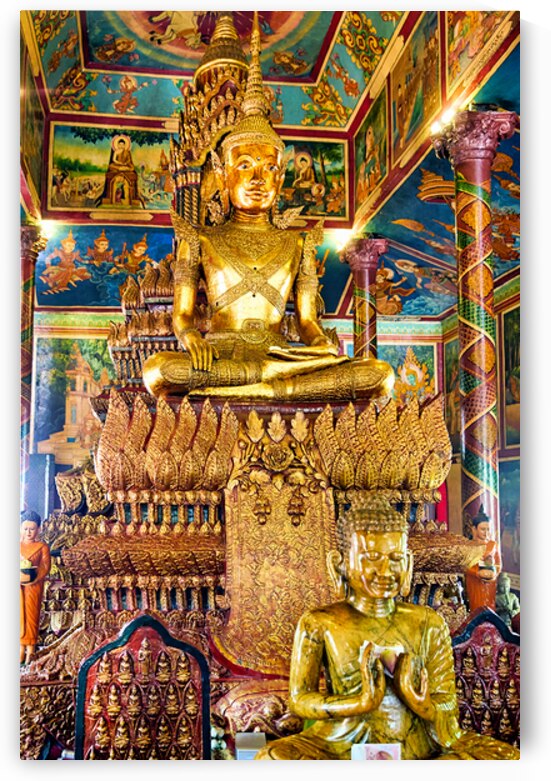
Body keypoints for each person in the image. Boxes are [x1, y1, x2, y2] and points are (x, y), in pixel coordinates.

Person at [143, 17, 393, 403]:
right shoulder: (200, 239)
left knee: (378, 375)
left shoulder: (298, 244)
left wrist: (322, 348)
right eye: (244, 166)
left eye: (268, 168)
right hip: (220, 357)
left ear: (281, 177)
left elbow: (307, 323)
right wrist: (191, 337)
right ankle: (271, 386)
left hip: (282, 357)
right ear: (222, 174)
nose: (257, 178)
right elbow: (182, 316)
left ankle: (266, 384)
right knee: (159, 370)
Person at [255, 496, 519, 760]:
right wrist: (359, 703)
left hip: (417, 748)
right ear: (339, 564)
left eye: (395, 558)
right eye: (371, 558)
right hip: (340, 748)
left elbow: (447, 702)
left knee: (507, 759)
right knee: (272, 758)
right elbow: (300, 700)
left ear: (407, 563)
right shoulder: (319, 622)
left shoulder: (428, 622)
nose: (384, 571)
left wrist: (419, 701)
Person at [20, 510, 51, 666]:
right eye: (25, 529)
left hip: (34, 586)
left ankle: (30, 650)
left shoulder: (42, 547)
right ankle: (20, 649)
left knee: (31, 616)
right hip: (18, 586)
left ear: (38, 529)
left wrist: (33, 576)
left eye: (32, 529)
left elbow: (45, 567)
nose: (28, 532)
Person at [465, 506, 501, 612]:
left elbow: (498, 564)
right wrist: (477, 573)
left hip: (490, 583)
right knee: (477, 607)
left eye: (488, 529)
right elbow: (465, 565)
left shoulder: (493, 545)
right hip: (475, 581)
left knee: (490, 606)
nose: (486, 533)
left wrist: (494, 574)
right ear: (474, 529)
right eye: (482, 529)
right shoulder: (469, 546)